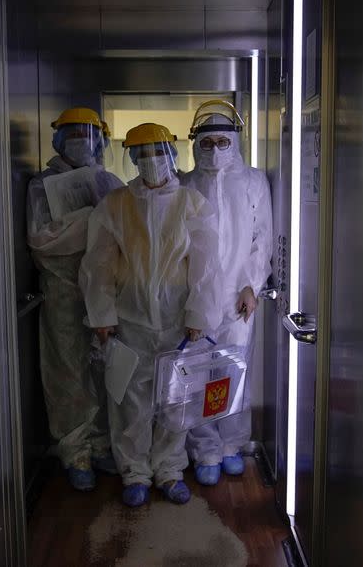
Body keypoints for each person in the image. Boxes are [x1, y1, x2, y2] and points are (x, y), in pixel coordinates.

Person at [79, 123, 220, 507]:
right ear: (132, 159)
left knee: (177, 400)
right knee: (131, 401)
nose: (151, 161)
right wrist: (102, 315)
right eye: (142, 154)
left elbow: (206, 267)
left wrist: (199, 316)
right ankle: (135, 472)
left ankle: (170, 469)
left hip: (177, 322)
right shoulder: (116, 204)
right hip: (130, 321)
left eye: (157, 152)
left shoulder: (192, 203)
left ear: (172, 154)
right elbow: (99, 264)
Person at [27, 107, 124, 491]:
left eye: (88, 135)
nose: (83, 141)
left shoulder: (109, 181)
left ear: (100, 139)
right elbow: (41, 240)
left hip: (104, 291)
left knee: (104, 371)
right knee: (68, 374)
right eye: (73, 134)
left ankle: (101, 445)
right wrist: (89, 219)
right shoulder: (42, 185)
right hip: (63, 292)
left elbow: (122, 233)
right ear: (57, 140)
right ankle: (75, 452)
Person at [182, 100, 273, 486]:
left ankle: (232, 445)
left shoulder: (253, 181)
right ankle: (204, 450)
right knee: (198, 377)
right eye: (207, 142)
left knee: (234, 373)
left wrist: (252, 284)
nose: (215, 148)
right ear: (195, 145)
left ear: (236, 141)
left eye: (223, 140)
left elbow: (262, 237)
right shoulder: (185, 184)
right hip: (195, 300)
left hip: (239, 298)